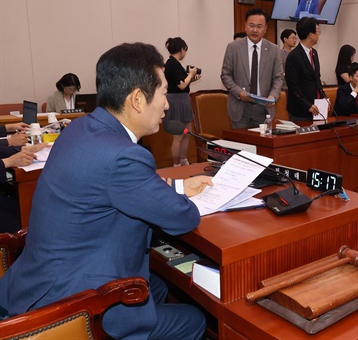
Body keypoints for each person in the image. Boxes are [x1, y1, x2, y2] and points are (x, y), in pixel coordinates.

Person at [0, 42, 213, 339]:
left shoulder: (81, 128)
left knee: (161, 285)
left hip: (37, 280)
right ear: (138, 99)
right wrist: (179, 195)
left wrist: (176, 185)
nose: (166, 104)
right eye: (164, 93)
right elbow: (184, 218)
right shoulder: (124, 156)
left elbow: (113, 188)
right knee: (193, 317)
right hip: (75, 306)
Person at [221, 8, 283, 129]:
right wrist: (239, 92)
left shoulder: (274, 50)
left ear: (265, 28)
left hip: (264, 109)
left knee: (263, 147)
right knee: (241, 146)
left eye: (259, 26)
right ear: (245, 26)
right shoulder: (233, 47)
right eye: (251, 25)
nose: (255, 30)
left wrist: (273, 96)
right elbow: (225, 75)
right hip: (240, 108)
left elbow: (278, 78)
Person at [164, 37, 200, 167]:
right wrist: (191, 73)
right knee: (178, 136)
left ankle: (184, 160)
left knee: (187, 133)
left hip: (183, 100)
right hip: (176, 102)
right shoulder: (172, 63)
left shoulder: (175, 63)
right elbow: (181, 85)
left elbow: (182, 82)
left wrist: (191, 78)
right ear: (182, 49)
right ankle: (176, 164)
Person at [285, 17, 324, 121]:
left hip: (317, 108)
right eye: (318, 31)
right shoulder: (294, 56)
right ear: (311, 34)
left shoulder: (314, 53)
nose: (319, 34)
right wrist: (308, 105)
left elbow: (317, 79)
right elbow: (293, 86)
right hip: (301, 111)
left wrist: (324, 99)